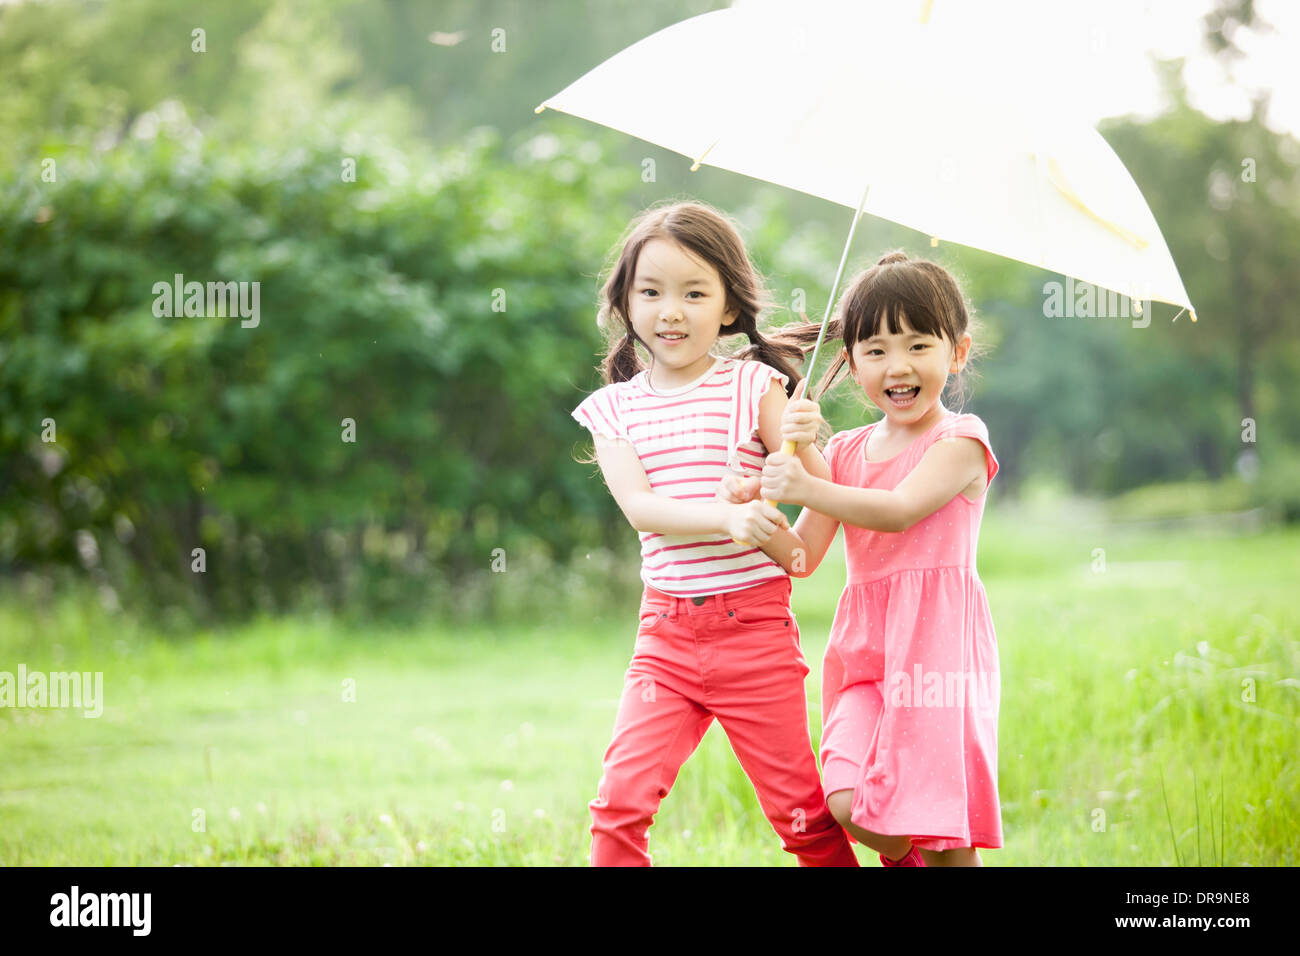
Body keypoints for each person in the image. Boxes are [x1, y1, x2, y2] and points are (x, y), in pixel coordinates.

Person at [570, 200, 858, 866]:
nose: (670, 310)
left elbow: (819, 521)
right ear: (625, 302)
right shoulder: (613, 410)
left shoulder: (757, 388)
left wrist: (787, 487)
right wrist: (729, 516)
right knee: (618, 808)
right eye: (651, 291)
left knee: (804, 820)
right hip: (664, 640)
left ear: (728, 307)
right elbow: (642, 508)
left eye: (694, 293)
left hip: (755, 634)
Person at [721, 251, 1002, 867]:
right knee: (846, 798)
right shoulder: (843, 452)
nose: (897, 366)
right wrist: (754, 509)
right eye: (875, 349)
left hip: (936, 658)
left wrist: (804, 484)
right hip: (866, 657)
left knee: (944, 839)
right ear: (849, 363)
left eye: (917, 345)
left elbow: (898, 509)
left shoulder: (960, 441)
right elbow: (802, 557)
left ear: (956, 352)